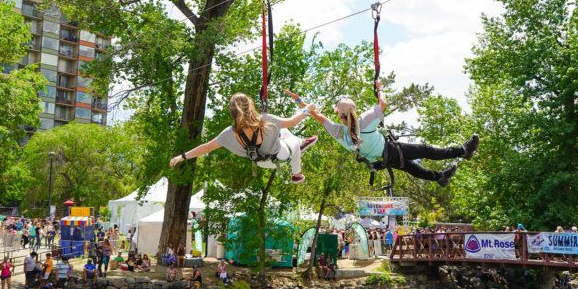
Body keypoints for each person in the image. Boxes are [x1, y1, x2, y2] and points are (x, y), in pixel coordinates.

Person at [288, 84, 478, 186]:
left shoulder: (338, 132)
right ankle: (462, 151)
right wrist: (379, 88)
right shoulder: (364, 121)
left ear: (339, 114)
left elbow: (316, 114)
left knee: (412, 168)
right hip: (390, 150)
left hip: (381, 161)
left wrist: (299, 101)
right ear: (354, 110)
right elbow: (383, 104)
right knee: (425, 150)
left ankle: (440, 177)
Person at [169, 93, 318, 184]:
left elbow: (206, 147)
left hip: (261, 163)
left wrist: (182, 156)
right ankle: (297, 173)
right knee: (291, 139)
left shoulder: (228, 133)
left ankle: (300, 145)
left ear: (232, 112)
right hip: (280, 157)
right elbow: (292, 121)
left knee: (282, 130)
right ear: (250, 106)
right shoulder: (266, 120)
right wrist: (307, 109)